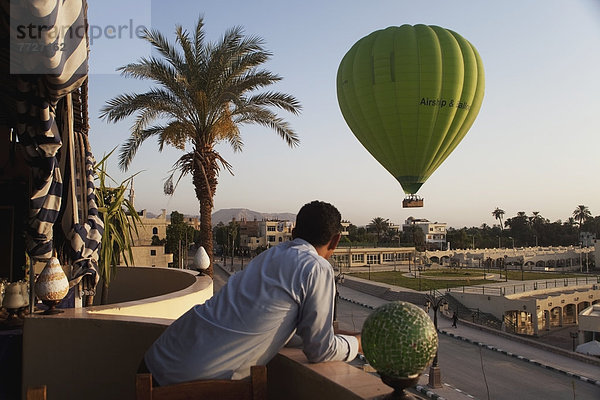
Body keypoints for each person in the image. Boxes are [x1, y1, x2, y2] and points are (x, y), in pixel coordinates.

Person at [142, 200, 361, 386]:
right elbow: (320, 351)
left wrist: (339, 337)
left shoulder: (269, 256)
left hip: (155, 360)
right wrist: (361, 343)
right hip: (183, 383)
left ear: (293, 233)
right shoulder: (316, 267)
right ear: (336, 240)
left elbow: (273, 326)